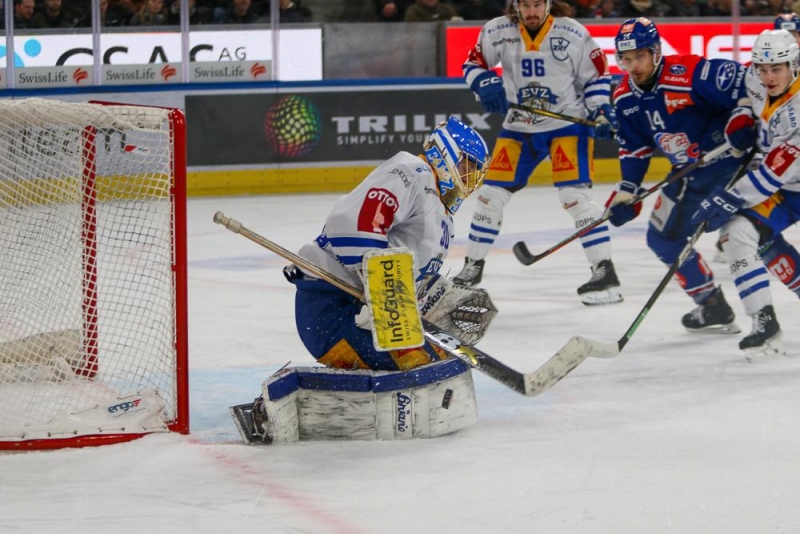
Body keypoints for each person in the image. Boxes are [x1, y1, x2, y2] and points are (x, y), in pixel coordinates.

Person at [285, 116, 492, 372]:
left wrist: (435, 296)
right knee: (421, 363)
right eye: (467, 166)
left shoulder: (441, 209)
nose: (470, 177)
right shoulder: (412, 171)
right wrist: (383, 295)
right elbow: (353, 224)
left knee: (443, 354)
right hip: (334, 308)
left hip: (364, 311)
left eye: (476, 172)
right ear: (445, 151)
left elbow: (410, 267)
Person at [457, 0, 623, 306]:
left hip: (567, 126)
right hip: (519, 128)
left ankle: (605, 271)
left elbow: (597, 76)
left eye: (537, 4)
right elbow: (472, 64)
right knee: (489, 196)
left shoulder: (572, 33)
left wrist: (600, 110)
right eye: (525, 5)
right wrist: (484, 82)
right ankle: (472, 267)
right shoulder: (497, 30)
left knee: (574, 198)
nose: (531, 12)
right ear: (515, 5)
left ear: (548, 4)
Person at [606, 17, 756, 334]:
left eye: (640, 57)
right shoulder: (623, 97)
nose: (633, 66)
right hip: (688, 174)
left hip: (732, 164)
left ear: (656, 52)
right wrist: (627, 191)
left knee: (748, 234)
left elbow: (750, 80)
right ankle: (712, 305)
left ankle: (764, 313)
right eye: (626, 59)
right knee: (661, 238)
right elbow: (634, 148)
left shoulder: (687, 73)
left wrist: (743, 114)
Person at [692, 29, 800, 358]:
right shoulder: (755, 79)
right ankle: (763, 321)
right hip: (787, 187)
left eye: (776, 69)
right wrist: (741, 114)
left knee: (735, 212)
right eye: (762, 68)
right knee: (738, 232)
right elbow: (745, 92)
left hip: (780, 177)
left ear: (794, 65)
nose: (767, 77)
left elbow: (771, 174)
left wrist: (727, 198)